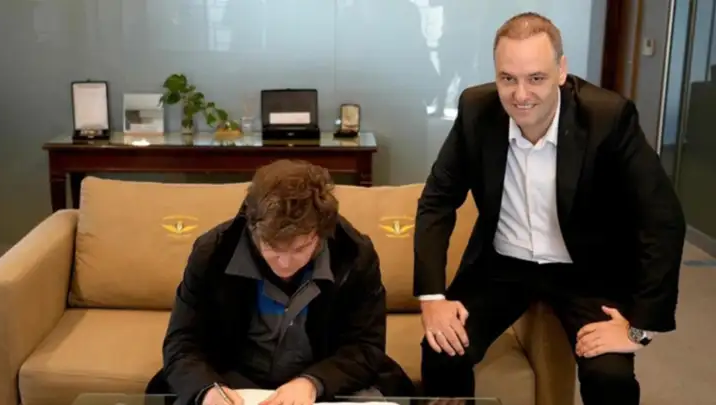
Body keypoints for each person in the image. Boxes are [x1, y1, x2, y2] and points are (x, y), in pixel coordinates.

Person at [414, 12, 686, 405]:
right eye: (508, 78)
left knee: (609, 376)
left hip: (586, 271)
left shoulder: (608, 118)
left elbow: (661, 219)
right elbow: (437, 200)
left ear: (561, 71)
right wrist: (432, 298)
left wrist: (640, 329)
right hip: (501, 266)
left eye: (536, 78)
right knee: (442, 350)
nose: (521, 94)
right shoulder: (476, 110)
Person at [147, 159, 412, 405]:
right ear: (252, 229)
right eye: (273, 248)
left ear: (321, 233)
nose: (285, 264)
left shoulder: (355, 255)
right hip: (233, 379)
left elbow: (365, 347)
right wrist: (207, 390)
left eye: (299, 249)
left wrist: (312, 383)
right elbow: (182, 342)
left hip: (325, 381)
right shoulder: (213, 252)